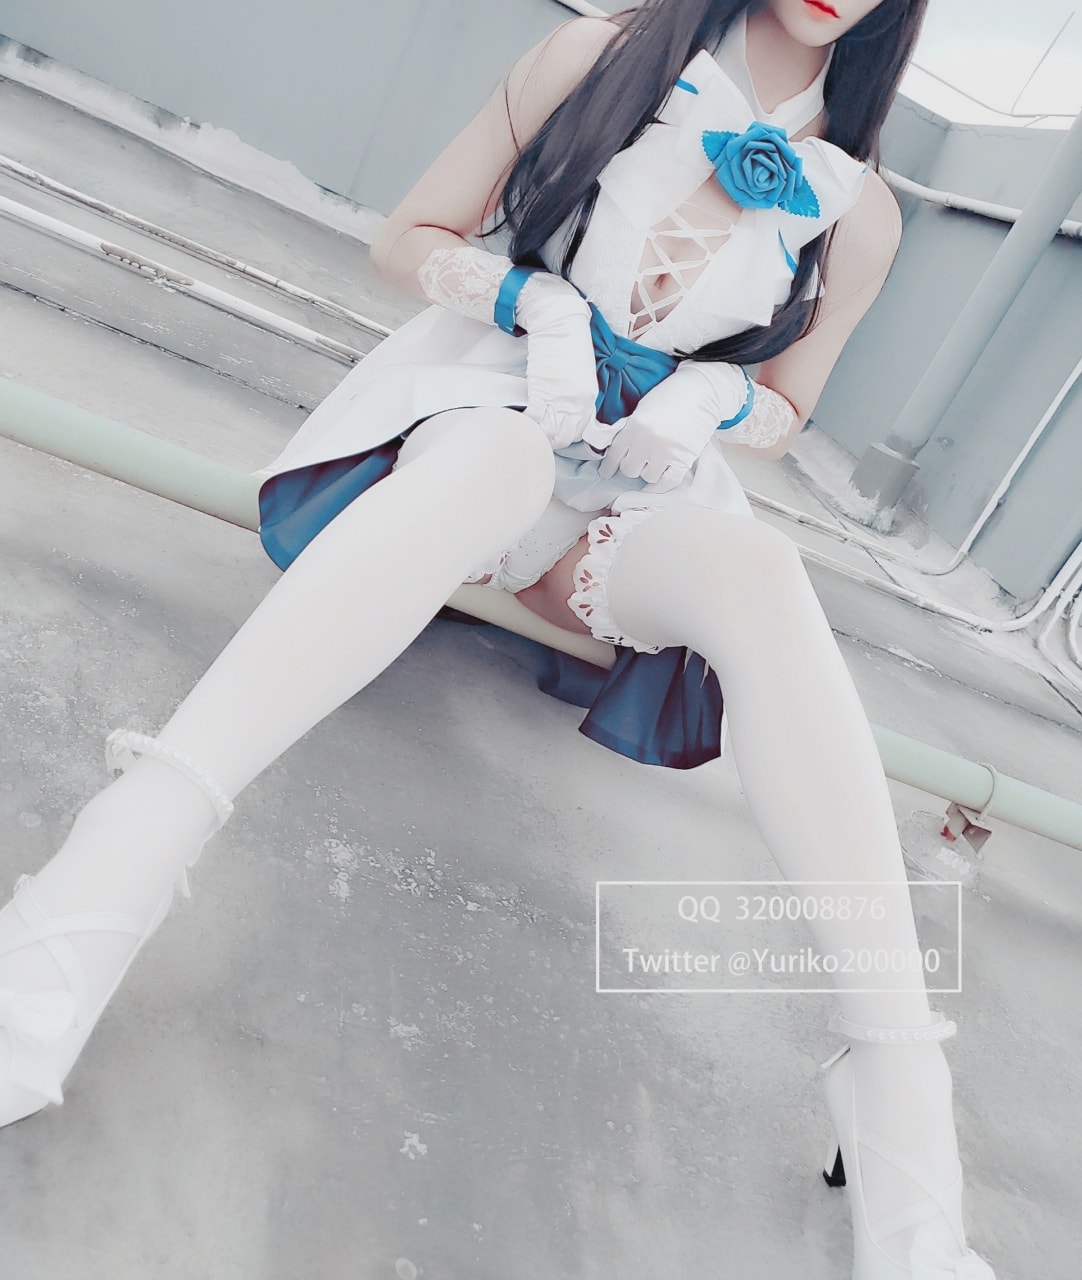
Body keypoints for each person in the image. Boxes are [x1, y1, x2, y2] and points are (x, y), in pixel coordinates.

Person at [0, 1, 997, 1275]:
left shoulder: (862, 209)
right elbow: (406, 238)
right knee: (498, 458)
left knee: (760, 571)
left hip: (634, 486)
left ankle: (897, 1084)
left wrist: (707, 395)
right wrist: (540, 307)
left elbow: (789, 409)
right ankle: (108, 874)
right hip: (481, 413)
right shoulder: (602, 55)